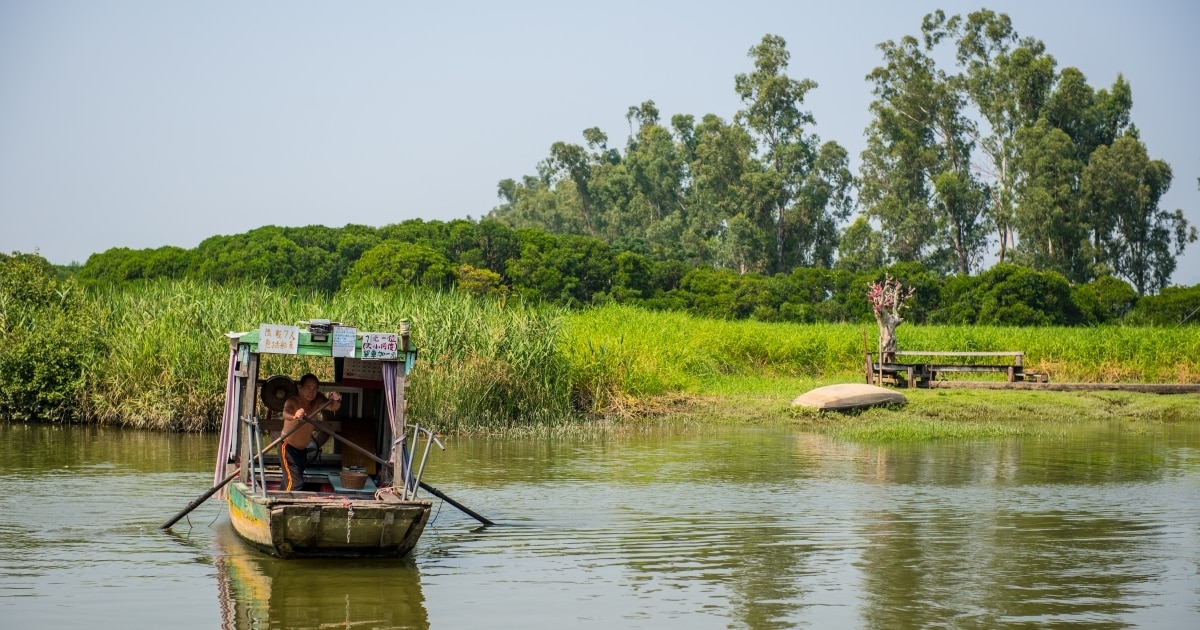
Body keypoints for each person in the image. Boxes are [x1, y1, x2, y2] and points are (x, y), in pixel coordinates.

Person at [280, 373, 342, 491]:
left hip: (303, 451)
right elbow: (285, 413)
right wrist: (295, 416)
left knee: (288, 480)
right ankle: (288, 506)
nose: (311, 391)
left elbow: (333, 407)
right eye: (308, 388)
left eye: (314, 389)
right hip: (287, 447)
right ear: (300, 388)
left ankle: (277, 497)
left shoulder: (318, 399)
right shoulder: (293, 401)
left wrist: (337, 399)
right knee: (295, 483)